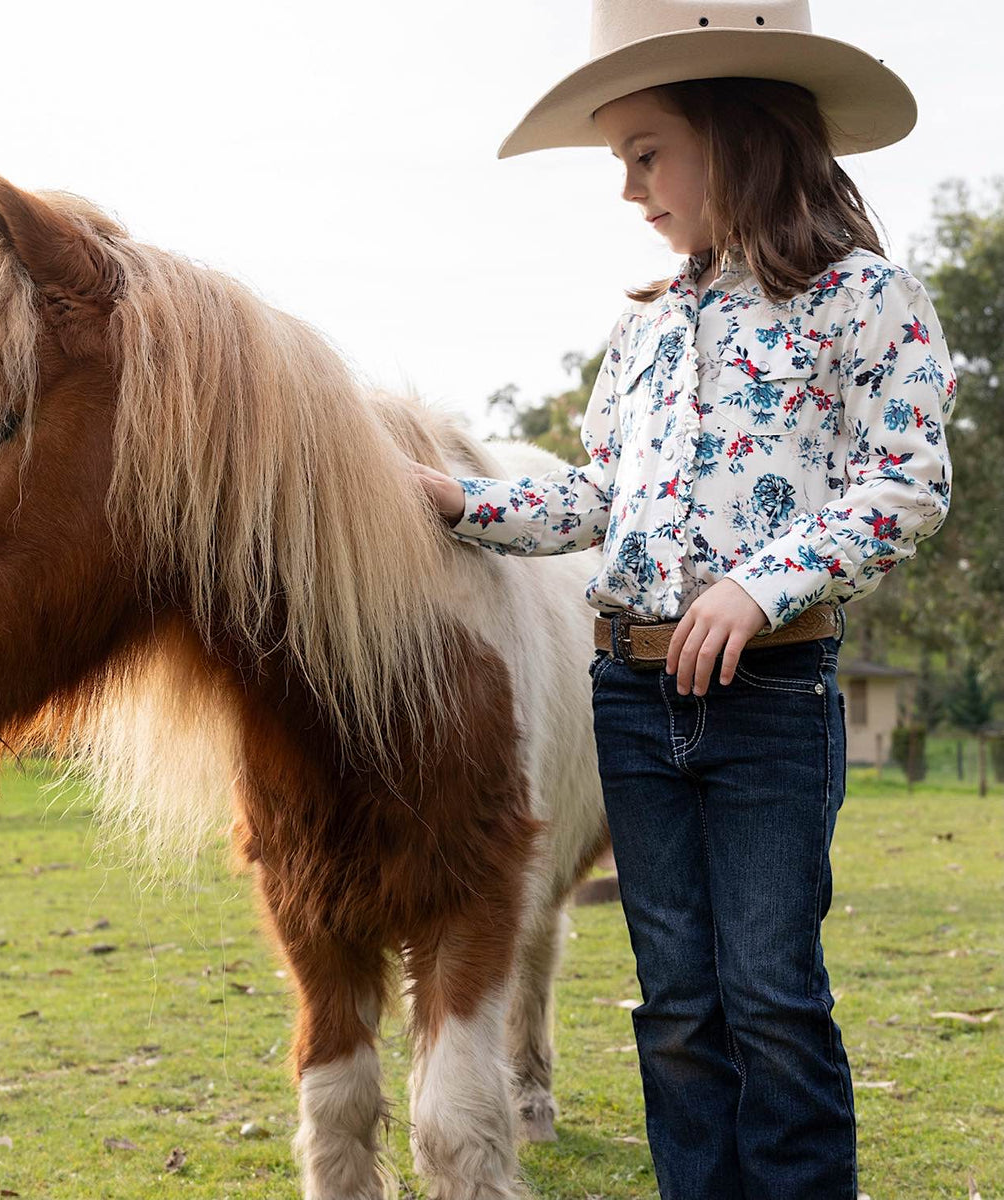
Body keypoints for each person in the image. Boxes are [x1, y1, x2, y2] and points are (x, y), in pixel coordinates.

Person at [410, 3, 956, 1198]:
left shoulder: (871, 302)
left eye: (644, 152)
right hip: (632, 702)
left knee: (770, 1000)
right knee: (677, 1009)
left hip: (769, 701)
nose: (627, 190)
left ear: (739, 134)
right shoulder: (644, 330)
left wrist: (761, 588)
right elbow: (597, 496)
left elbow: (906, 482)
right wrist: (449, 499)